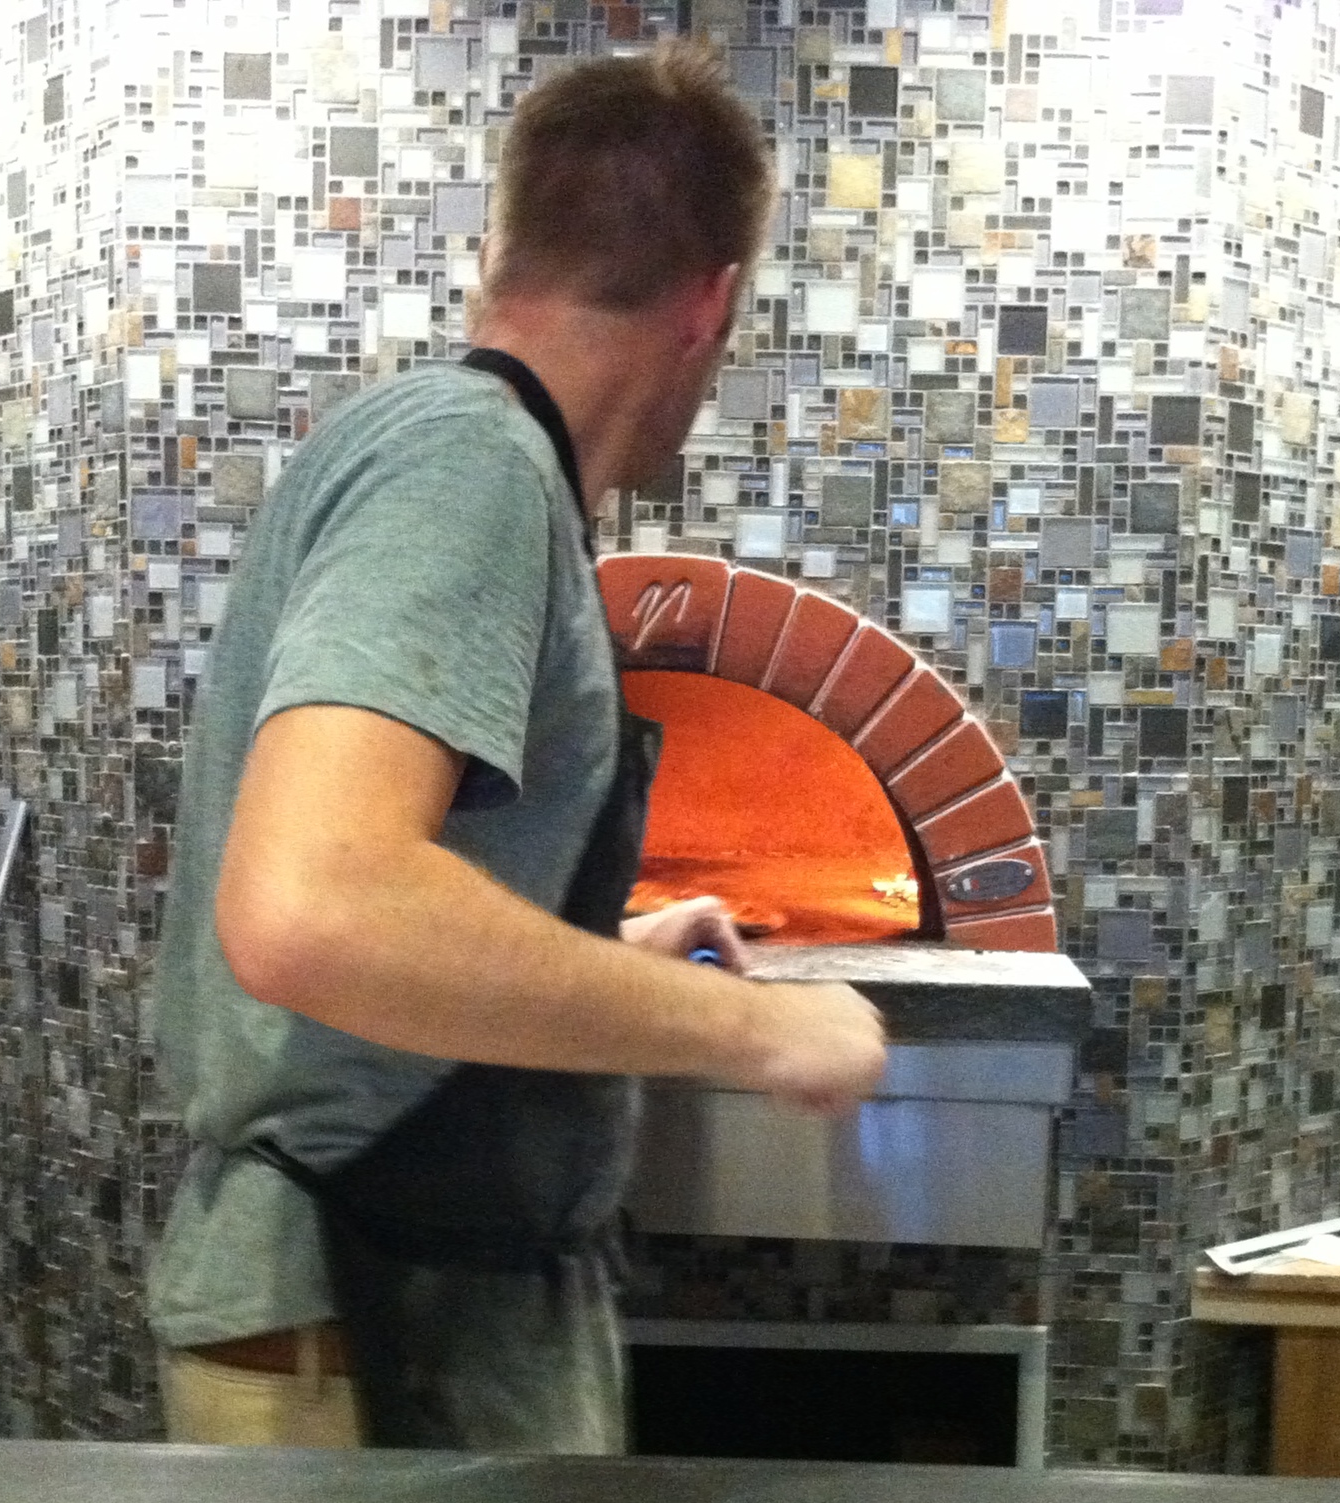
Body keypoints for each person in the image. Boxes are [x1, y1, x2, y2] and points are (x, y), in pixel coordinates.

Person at [149, 40, 887, 1454]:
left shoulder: (459, 456)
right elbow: (315, 908)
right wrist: (764, 1029)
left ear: (499, 252)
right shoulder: (468, 462)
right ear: (712, 302)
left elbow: (385, 903)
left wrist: (607, 951)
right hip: (356, 1328)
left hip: (388, 1313)